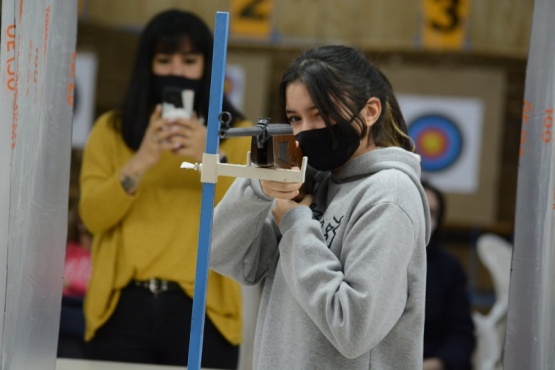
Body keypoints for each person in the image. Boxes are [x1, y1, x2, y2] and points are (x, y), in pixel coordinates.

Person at [210, 45, 431, 369]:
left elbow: (353, 329)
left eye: (320, 113)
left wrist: (297, 224)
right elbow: (224, 256)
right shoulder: (315, 180)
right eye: (294, 118)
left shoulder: (389, 195)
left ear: (370, 111)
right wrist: (257, 186)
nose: (305, 130)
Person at [78, 9, 251, 368]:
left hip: (206, 308)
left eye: (190, 60)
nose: (177, 70)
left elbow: (249, 222)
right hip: (122, 305)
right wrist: (140, 161)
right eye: (164, 59)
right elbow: (93, 218)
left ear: (209, 66)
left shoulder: (238, 135)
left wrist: (213, 157)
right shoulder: (112, 130)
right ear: (147, 65)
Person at [422, 180, 476, 370]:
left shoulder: (449, 268)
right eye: (421, 208)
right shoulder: (380, 256)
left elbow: (461, 335)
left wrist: (436, 364)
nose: (426, 218)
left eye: (433, 212)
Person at [57, 205, 92, 359]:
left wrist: (70, 284)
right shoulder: (69, 249)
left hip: (82, 309)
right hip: (59, 305)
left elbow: (97, 288)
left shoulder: (102, 255)